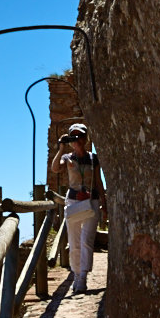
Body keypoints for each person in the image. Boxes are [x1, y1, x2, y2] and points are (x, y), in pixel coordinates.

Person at [49, 123, 107, 293]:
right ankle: (75, 273)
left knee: (86, 241)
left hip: (91, 201)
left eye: (80, 136)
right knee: (74, 242)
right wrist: (60, 148)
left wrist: (104, 204)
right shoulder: (67, 158)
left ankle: (83, 277)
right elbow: (55, 168)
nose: (77, 140)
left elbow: (98, 181)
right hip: (74, 202)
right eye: (73, 137)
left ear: (86, 138)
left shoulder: (93, 158)